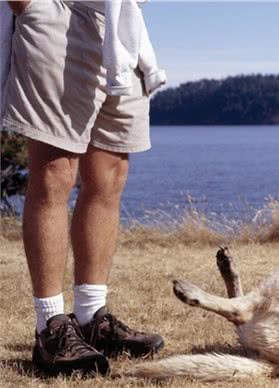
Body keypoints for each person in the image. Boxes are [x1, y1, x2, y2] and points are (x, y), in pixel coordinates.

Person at [3, 0, 165, 376]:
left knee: (109, 176)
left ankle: (92, 317)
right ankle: (51, 328)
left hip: (121, 22)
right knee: (55, 173)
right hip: (60, 11)